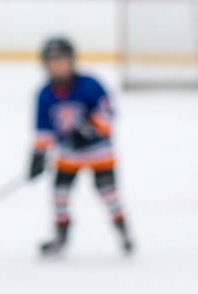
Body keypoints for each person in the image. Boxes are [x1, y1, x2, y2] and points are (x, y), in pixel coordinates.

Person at [29, 37, 133, 257]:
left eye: (62, 60)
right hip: (68, 157)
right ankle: (61, 236)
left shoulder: (90, 84)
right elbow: (44, 130)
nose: (57, 66)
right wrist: (37, 155)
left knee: (109, 195)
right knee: (59, 196)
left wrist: (87, 130)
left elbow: (108, 112)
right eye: (52, 61)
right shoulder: (44, 94)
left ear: (72, 61)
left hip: (99, 154)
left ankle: (123, 232)